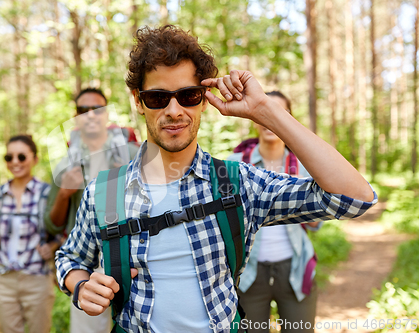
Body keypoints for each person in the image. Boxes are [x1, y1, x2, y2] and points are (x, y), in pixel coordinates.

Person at [55, 25, 377, 333]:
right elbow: (69, 258)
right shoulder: (104, 191)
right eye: (157, 98)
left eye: (188, 95)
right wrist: (81, 285)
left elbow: (354, 198)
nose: (174, 110)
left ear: (204, 100)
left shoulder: (238, 184)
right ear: (138, 102)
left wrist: (266, 110)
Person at [44, 87, 139, 333]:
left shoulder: (132, 154)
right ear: (75, 116)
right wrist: (64, 193)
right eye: (82, 110)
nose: (90, 115)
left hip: (133, 259)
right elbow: (51, 224)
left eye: (97, 109)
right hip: (87, 266)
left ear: (107, 114)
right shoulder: (65, 162)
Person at [228, 91, 320, 332]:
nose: (270, 119)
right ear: (255, 119)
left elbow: (315, 223)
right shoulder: (234, 164)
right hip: (248, 274)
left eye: (279, 112)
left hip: (295, 269)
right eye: (265, 112)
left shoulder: (305, 163)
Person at [0, 134, 58, 333]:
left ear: (35, 159)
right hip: (4, 280)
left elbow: (63, 231)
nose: (15, 162)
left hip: (37, 278)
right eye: (9, 157)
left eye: (21, 157)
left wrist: (51, 247)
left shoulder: (47, 193)